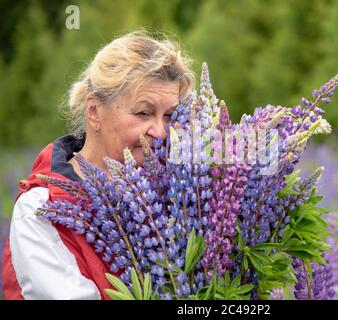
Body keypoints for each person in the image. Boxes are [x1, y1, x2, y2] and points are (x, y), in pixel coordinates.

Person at [1, 31, 195, 299]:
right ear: (94, 111)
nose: (161, 132)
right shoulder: (40, 209)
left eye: (170, 115)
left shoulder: (181, 193)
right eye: (143, 113)